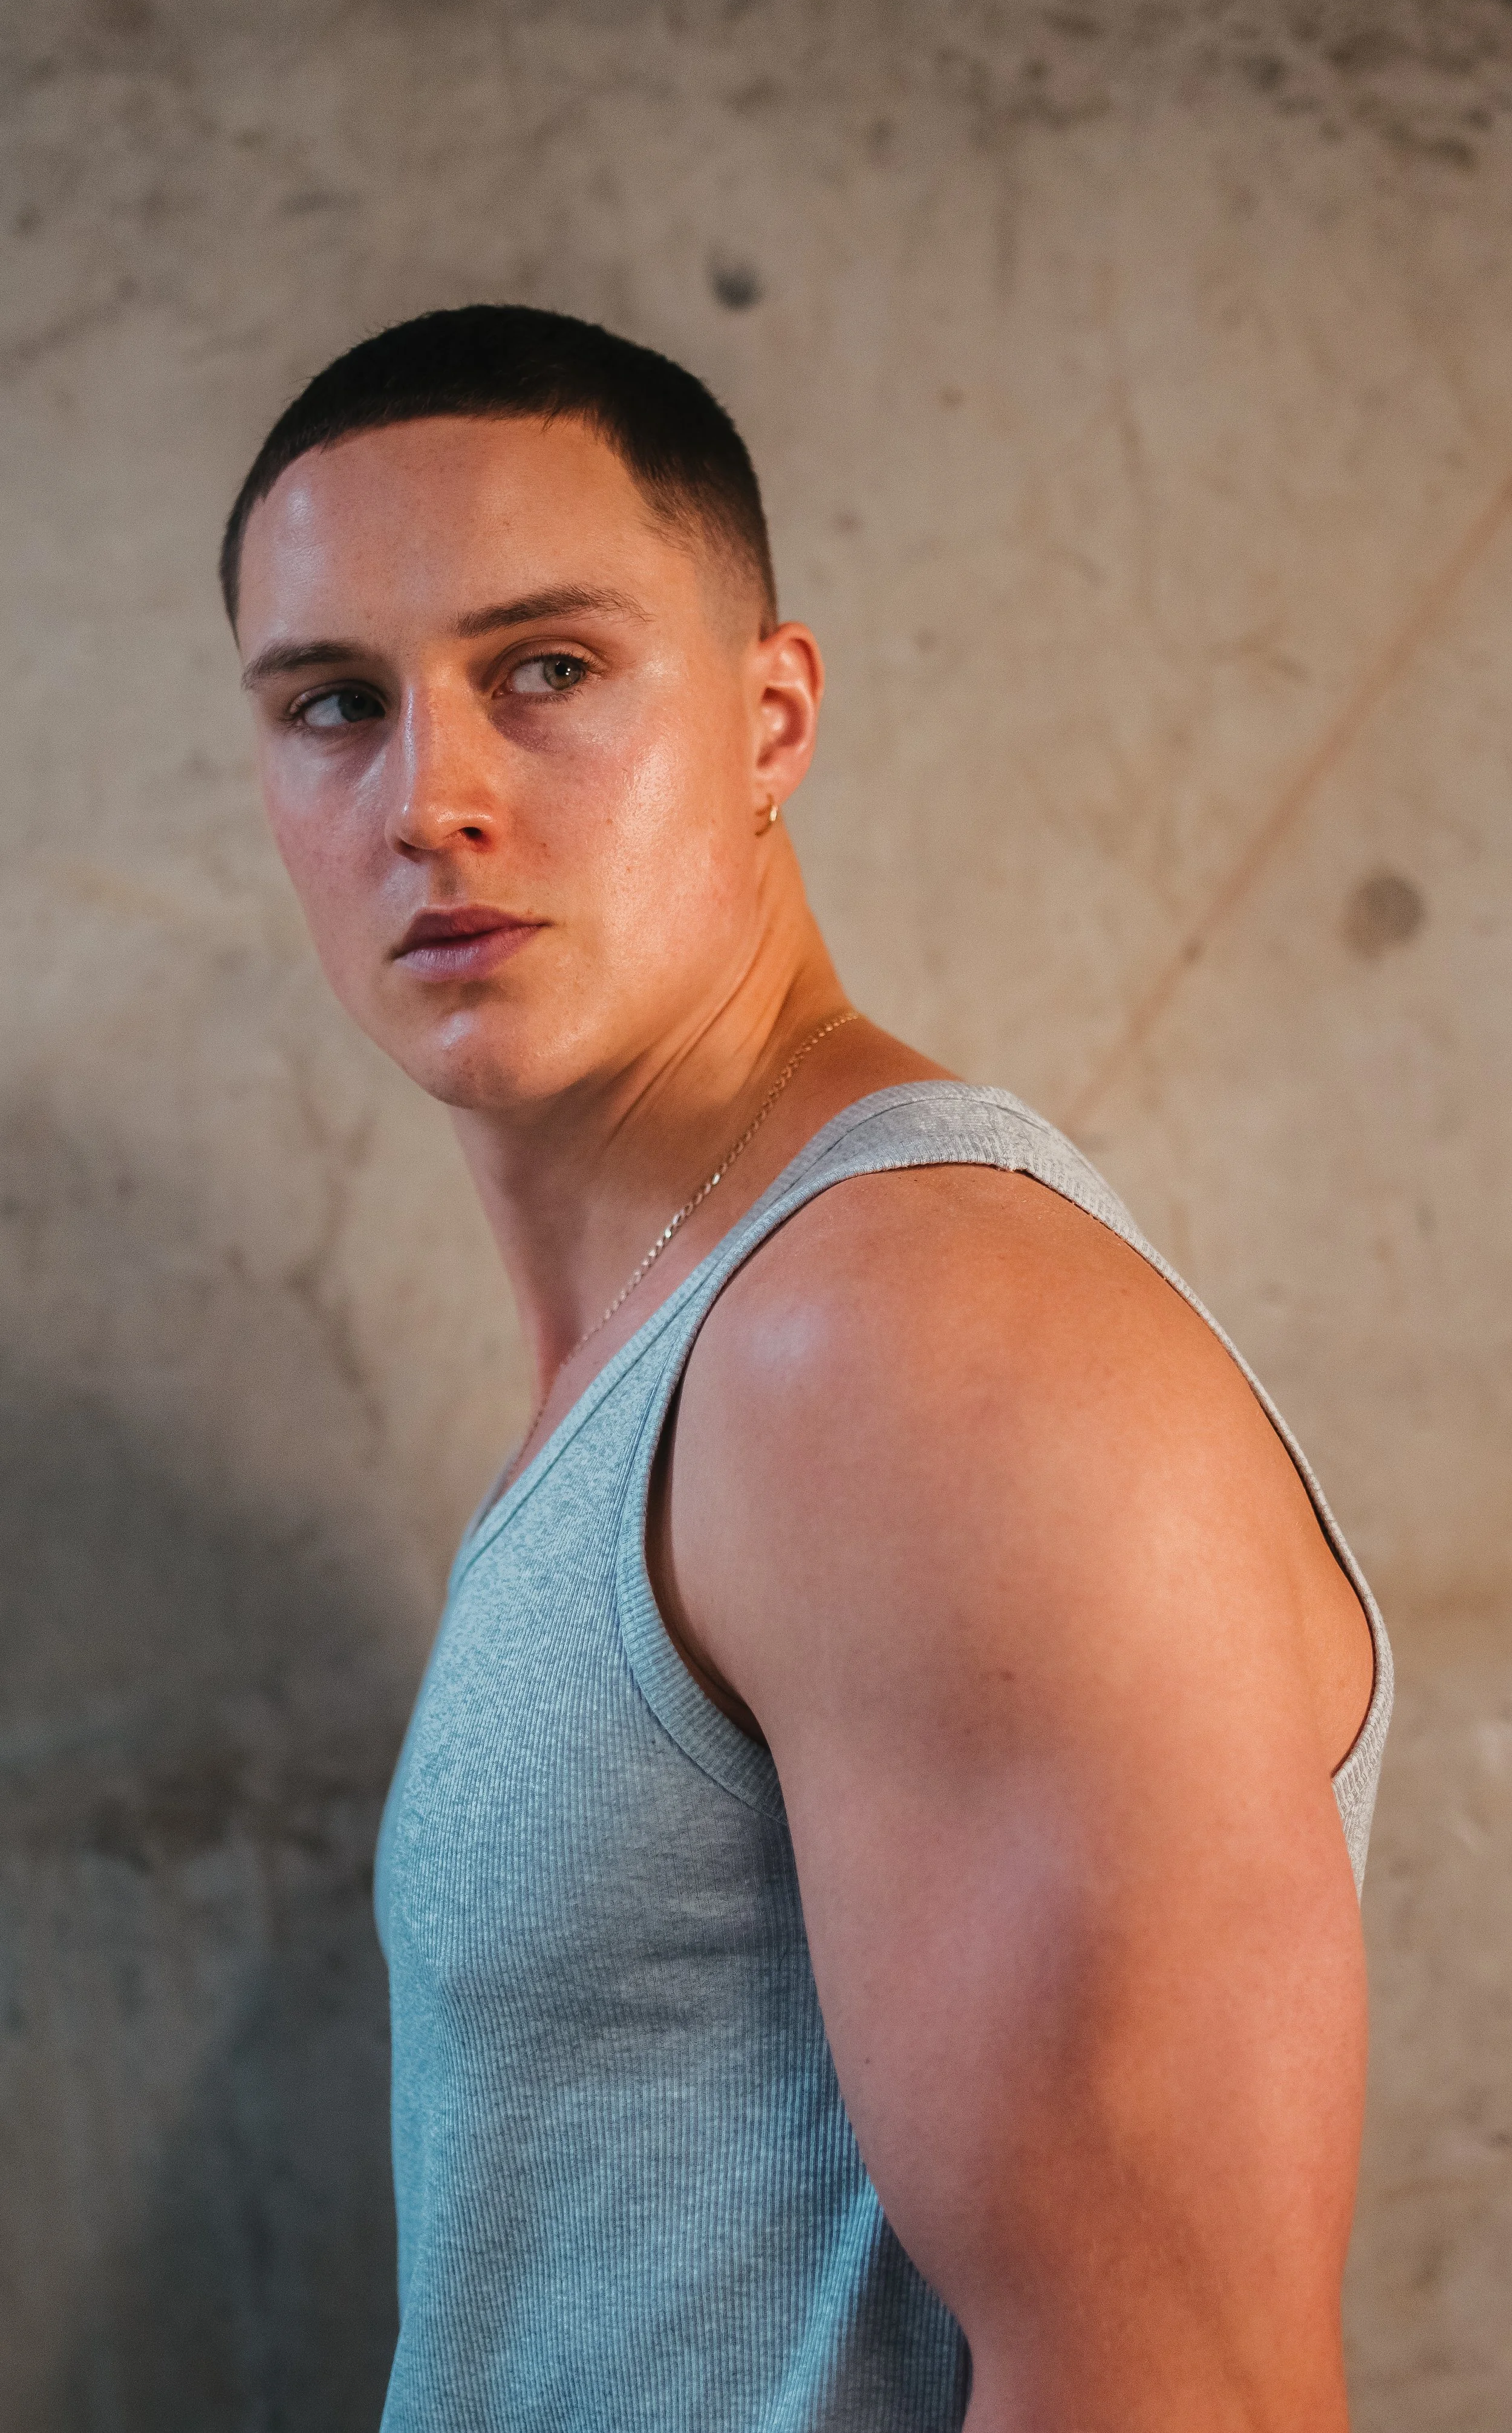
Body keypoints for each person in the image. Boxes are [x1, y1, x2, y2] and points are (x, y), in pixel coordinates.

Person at [223, 305, 1390, 2433]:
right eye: (333, 705)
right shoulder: (692, 1347)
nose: (434, 798)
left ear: (771, 721)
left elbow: (1176, 2391)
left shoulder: (905, 1349)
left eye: (546, 672)